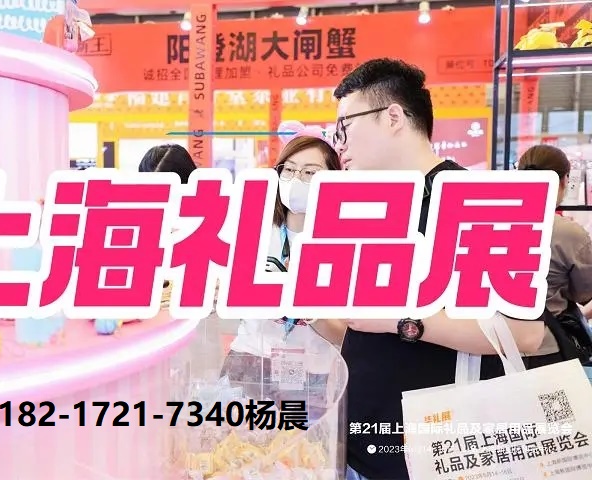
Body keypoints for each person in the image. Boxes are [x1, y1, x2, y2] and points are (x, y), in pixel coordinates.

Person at [333, 58, 547, 480]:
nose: (339, 144)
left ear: (393, 116)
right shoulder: (371, 209)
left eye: (346, 126)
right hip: (362, 444)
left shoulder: (477, 201)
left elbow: (525, 332)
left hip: (440, 450)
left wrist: (401, 321)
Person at [220, 121, 347, 417]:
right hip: (249, 360)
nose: (296, 179)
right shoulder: (253, 227)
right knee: (233, 442)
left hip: (310, 373)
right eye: (288, 170)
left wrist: (304, 301)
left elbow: (344, 334)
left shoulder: (342, 243)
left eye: (310, 172)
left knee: (298, 446)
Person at [516, 144, 592, 367]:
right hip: (546, 347)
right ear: (564, 181)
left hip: (493, 345)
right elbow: (583, 292)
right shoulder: (567, 232)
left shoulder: (490, 222)